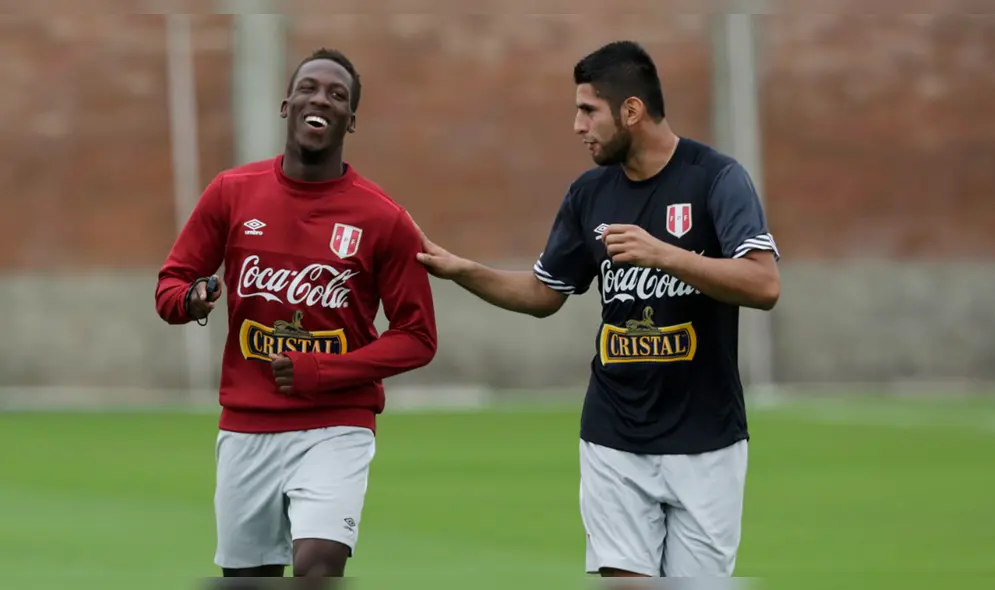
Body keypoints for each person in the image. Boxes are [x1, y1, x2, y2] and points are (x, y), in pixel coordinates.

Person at [416, 40, 780, 578]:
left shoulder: (716, 179)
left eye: (588, 110)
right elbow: (544, 294)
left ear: (630, 111)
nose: (577, 125)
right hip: (614, 433)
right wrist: (463, 270)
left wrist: (663, 254)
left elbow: (764, 282)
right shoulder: (588, 194)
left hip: (706, 439)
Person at [155, 48, 437, 579]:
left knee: (319, 566)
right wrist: (190, 299)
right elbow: (169, 285)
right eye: (309, 87)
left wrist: (323, 370)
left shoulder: (383, 218)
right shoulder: (231, 193)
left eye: (337, 95)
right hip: (247, 427)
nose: (320, 99)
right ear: (287, 103)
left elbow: (418, 336)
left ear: (350, 119)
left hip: (337, 425)